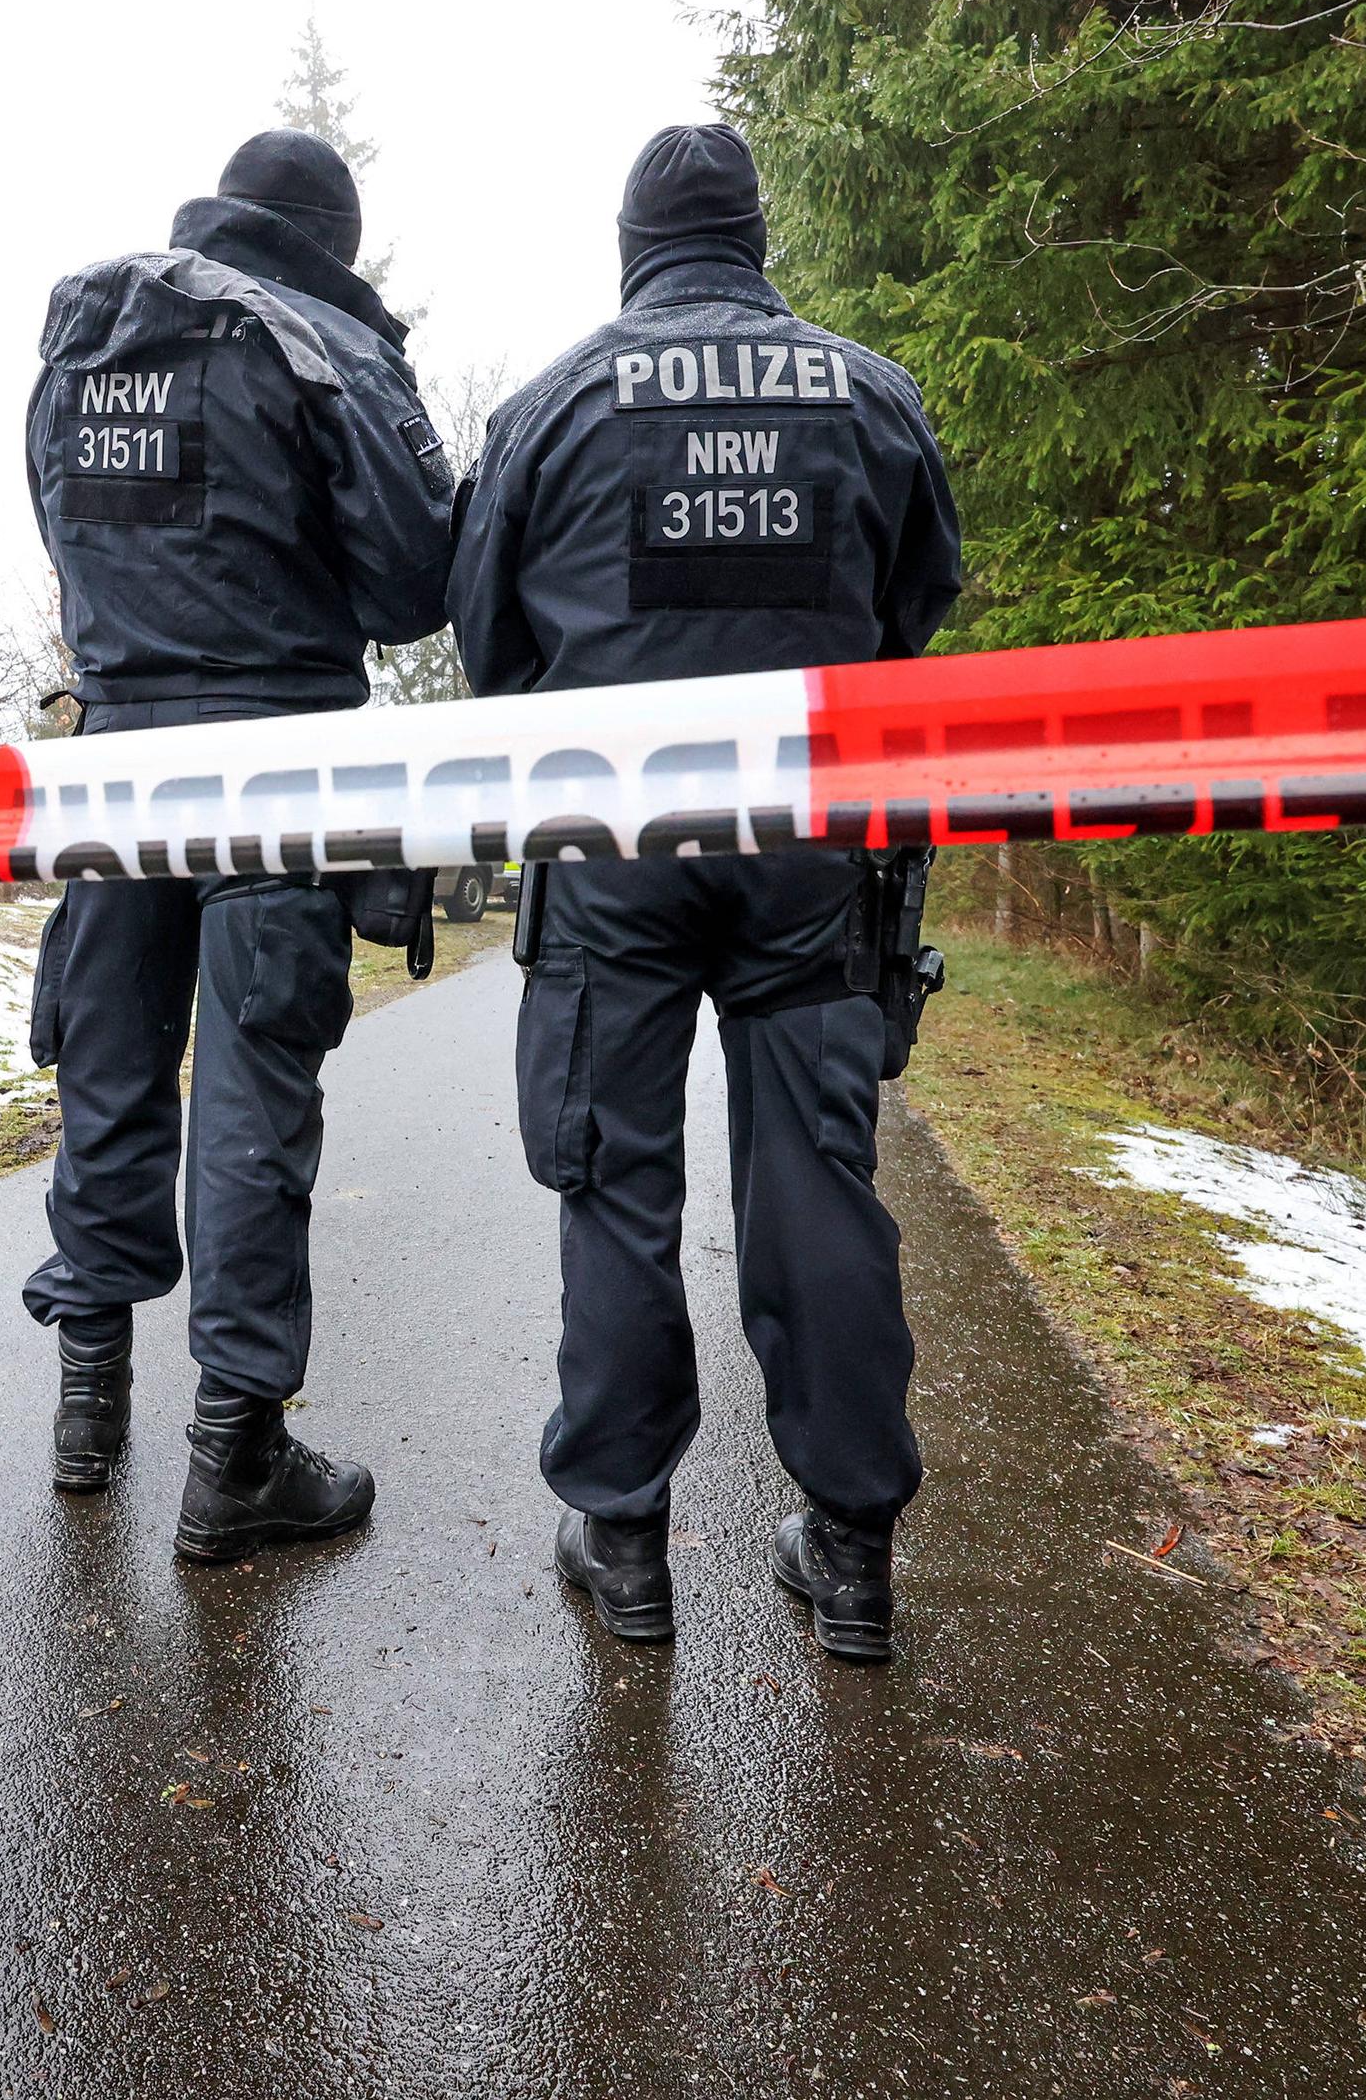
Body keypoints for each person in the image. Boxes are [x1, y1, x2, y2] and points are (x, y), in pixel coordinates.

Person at [448, 123, 964, 1661]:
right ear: (756, 238)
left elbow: (486, 642)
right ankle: (853, 1548)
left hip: (614, 848)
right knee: (818, 1178)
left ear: (632, 246)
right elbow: (919, 600)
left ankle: (624, 1542)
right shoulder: (869, 397)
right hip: (812, 849)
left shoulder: (550, 406)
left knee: (615, 1179)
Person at [20, 130, 456, 1563]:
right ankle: (235, 1462)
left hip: (116, 755)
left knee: (109, 1063)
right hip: (275, 758)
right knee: (254, 1096)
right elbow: (408, 582)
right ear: (329, 239)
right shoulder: (316, 340)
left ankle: (88, 1423)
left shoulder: (87, 336)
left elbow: (67, 532)